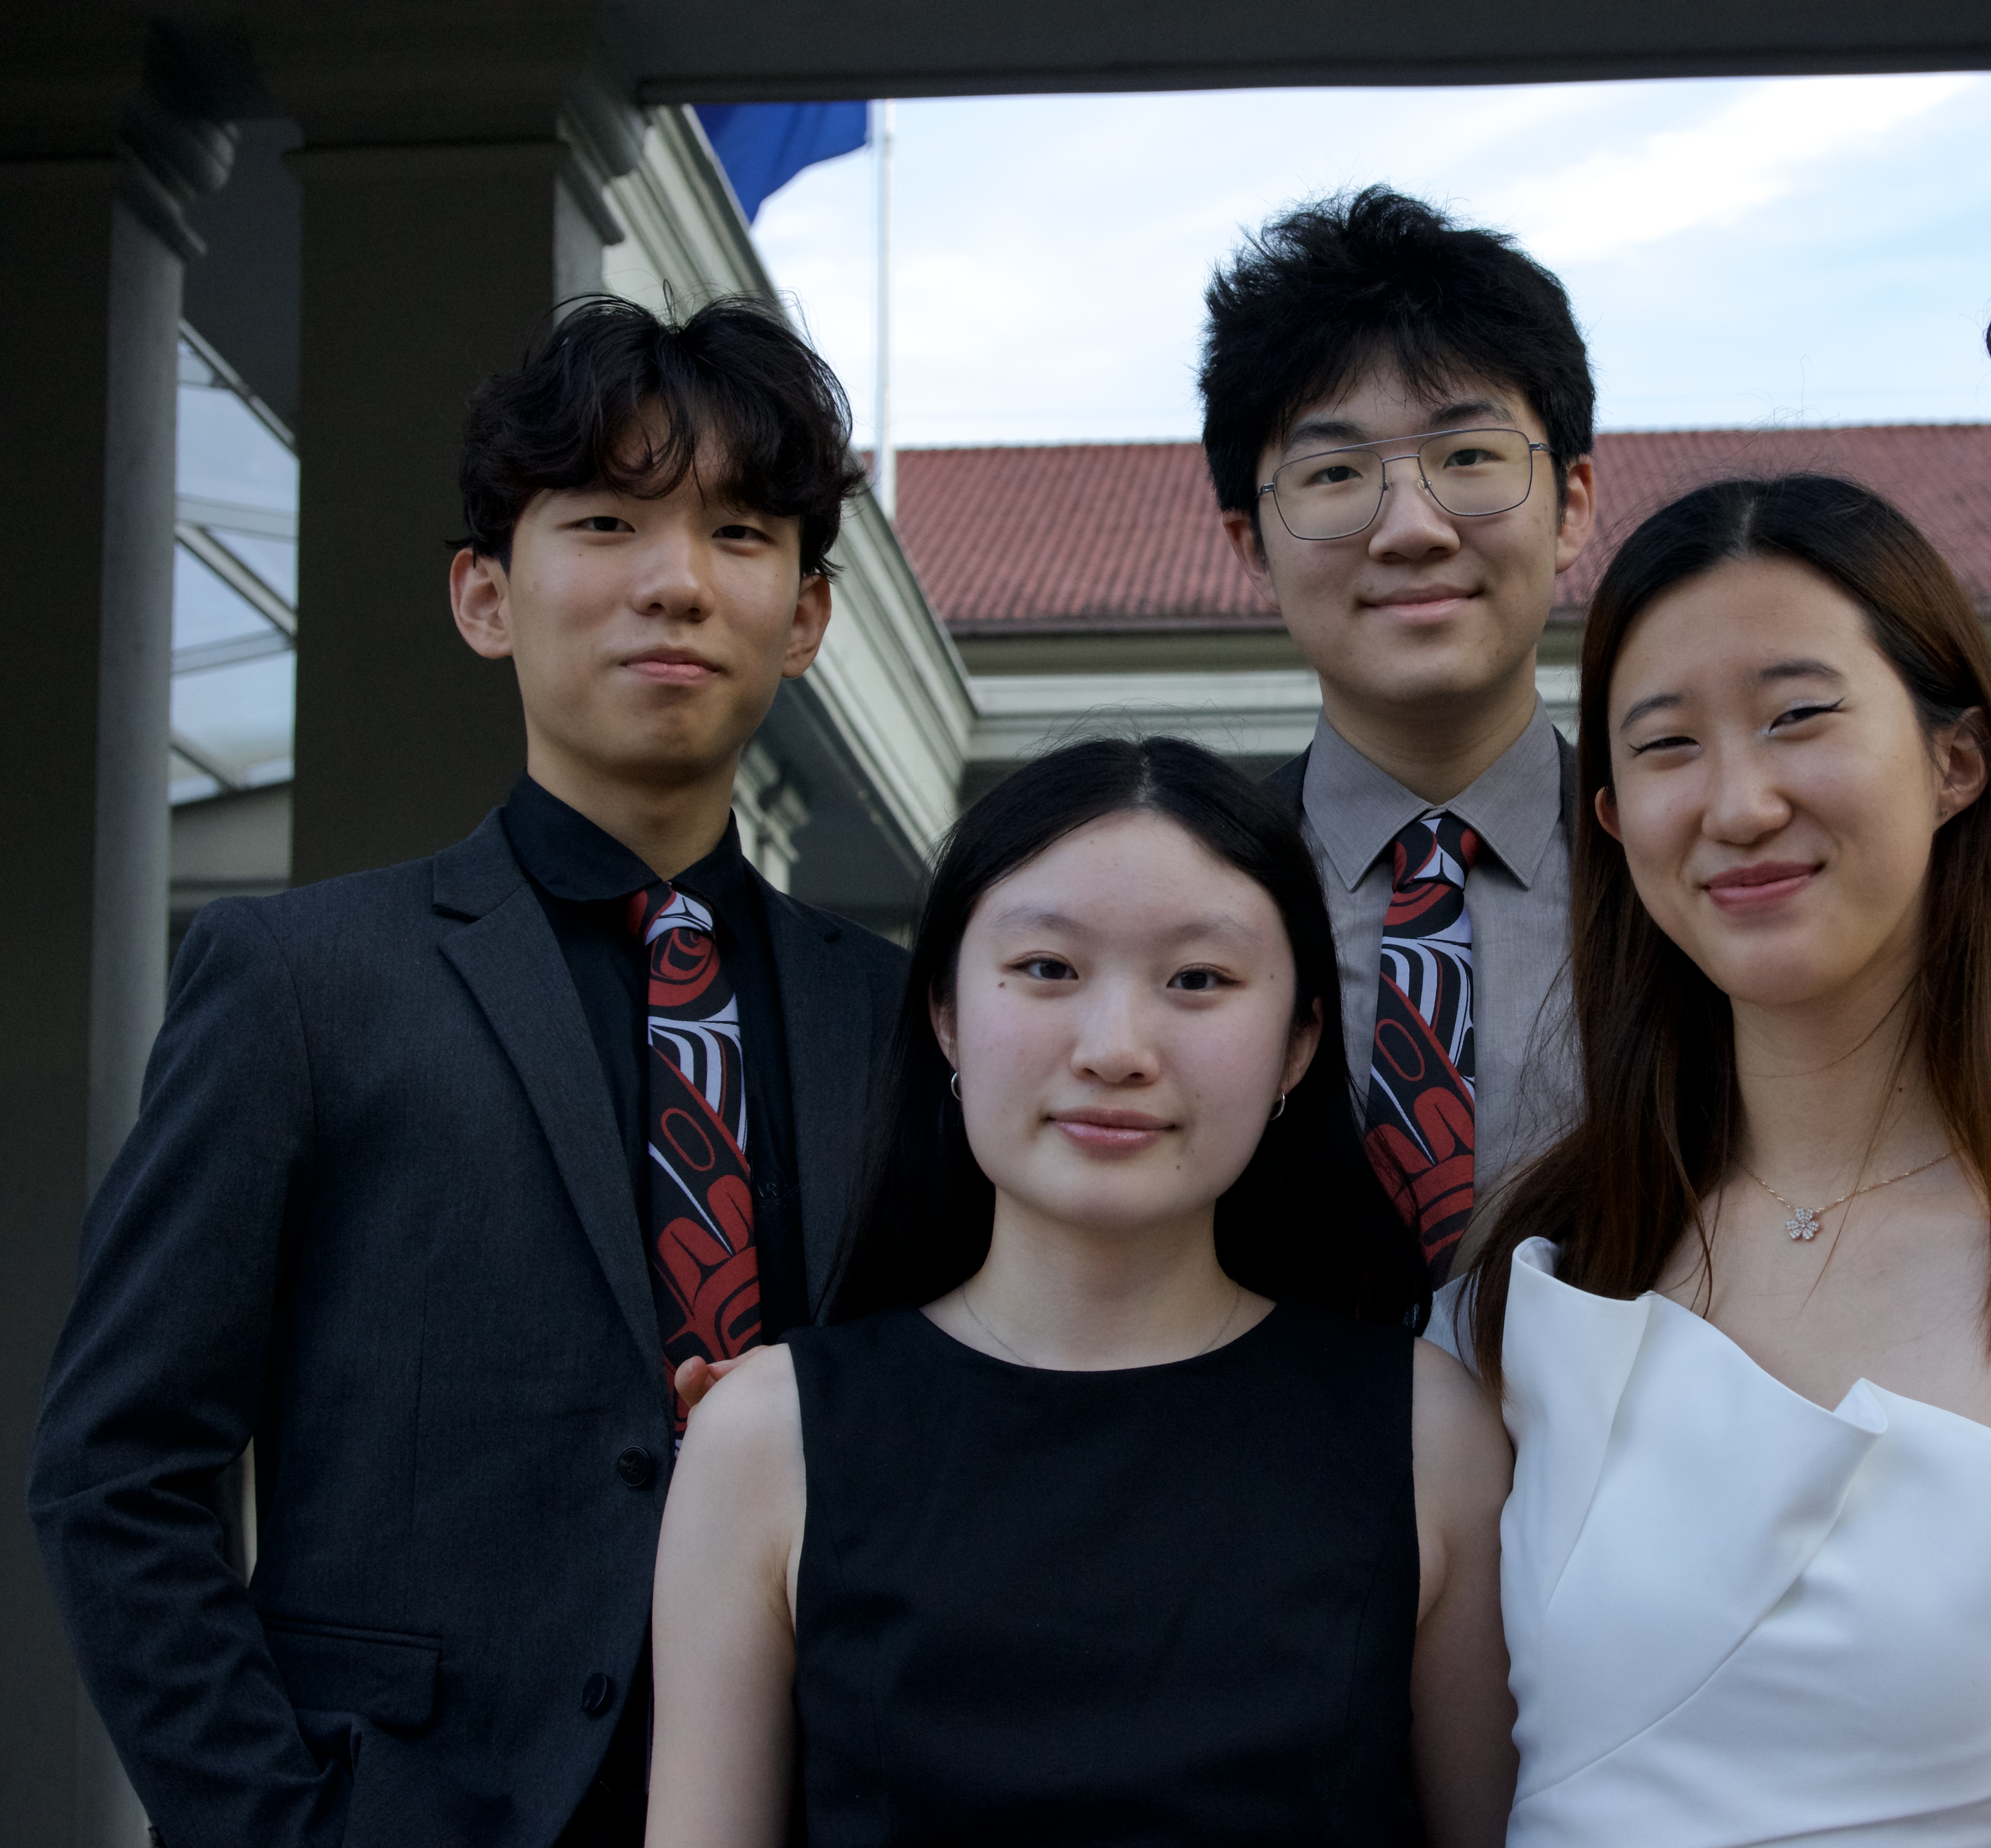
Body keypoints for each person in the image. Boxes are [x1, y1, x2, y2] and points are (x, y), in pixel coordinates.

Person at [27, 295, 907, 1848]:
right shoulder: (300, 982)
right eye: (606, 522)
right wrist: (280, 1826)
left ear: (807, 617)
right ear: (485, 595)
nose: (676, 581)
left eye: (741, 533)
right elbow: (120, 1471)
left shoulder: (904, 1018)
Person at [1454, 473, 1991, 1846]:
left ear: (1956, 763)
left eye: (1797, 717)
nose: (1738, 804)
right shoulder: (1549, 1273)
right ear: (1610, 817)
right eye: (1666, 746)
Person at [646, 736, 1517, 1848]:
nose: (1115, 1049)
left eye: (1197, 979)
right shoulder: (765, 1437)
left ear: (1300, 1039)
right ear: (945, 1011)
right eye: (1048, 968)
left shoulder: (1425, 1431)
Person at [1202, 187, 1598, 1284]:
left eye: (1467, 456)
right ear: (1250, 544)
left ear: (1570, 505)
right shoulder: (1189, 891)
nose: (1412, 529)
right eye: (1334, 474)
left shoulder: (1684, 871)